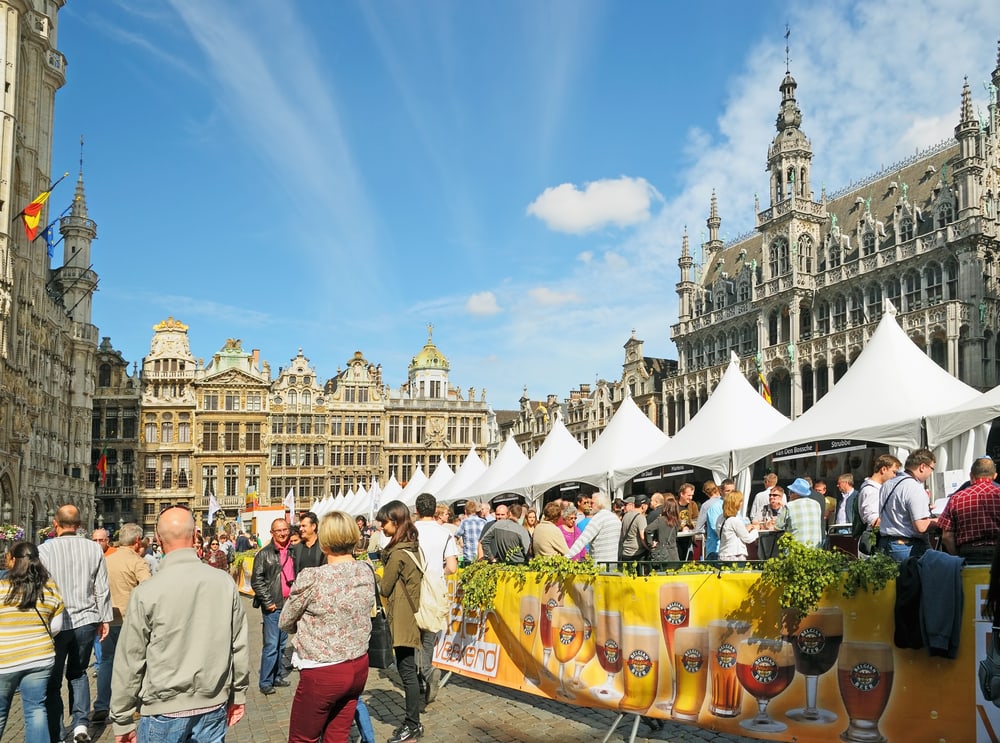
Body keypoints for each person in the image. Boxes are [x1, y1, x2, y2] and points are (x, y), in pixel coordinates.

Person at [110, 506, 249, 743]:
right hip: (212, 704)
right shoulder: (224, 583)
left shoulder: (146, 592)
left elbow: (130, 659)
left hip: (163, 709)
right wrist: (239, 694)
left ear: (158, 540)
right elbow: (239, 646)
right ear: (195, 536)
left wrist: (122, 717)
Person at [279, 512, 374, 742]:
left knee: (303, 738)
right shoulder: (366, 570)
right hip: (357, 665)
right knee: (337, 736)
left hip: (323, 670)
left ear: (324, 540)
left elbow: (285, 620)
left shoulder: (313, 577)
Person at [38, 504, 112, 743]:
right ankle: (80, 725)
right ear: (80, 526)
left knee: (53, 678)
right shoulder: (93, 549)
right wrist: (105, 618)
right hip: (87, 619)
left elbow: (40, 589)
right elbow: (101, 587)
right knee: (78, 673)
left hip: (56, 623)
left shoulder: (44, 551)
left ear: (55, 525)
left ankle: (58, 732)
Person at [0, 542, 65, 743]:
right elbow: (56, 626)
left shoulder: (3, 588)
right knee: (36, 709)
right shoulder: (49, 587)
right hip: (40, 657)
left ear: (12, 560)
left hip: (5, 659)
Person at [92, 524, 151, 724]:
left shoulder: (106, 560)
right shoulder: (138, 562)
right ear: (137, 542)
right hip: (130, 621)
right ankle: (130, 706)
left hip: (108, 619)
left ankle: (101, 704)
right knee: (132, 664)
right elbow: (148, 589)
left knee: (107, 662)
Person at [376, 500, 424, 743]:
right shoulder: (412, 546)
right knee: (410, 671)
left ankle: (412, 725)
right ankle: (413, 722)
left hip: (403, 618)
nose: (382, 528)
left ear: (395, 522)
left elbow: (385, 587)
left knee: (406, 673)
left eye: (384, 523)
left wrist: (375, 571)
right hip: (411, 615)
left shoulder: (397, 554)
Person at [412, 492, 458, 705]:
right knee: (428, 637)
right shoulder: (445, 533)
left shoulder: (409, 531)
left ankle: (422, 677)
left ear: (417, 510)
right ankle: (428, 671)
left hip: (412, 587)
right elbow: (452, 567)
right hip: (435, 585)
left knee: (412, 637)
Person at [250, 519, 296, 695]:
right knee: (270, 645)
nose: (283, 533)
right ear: (272, 533)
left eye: (285, 530)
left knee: (281, 644)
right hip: (273, 606)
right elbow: (257, 581)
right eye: (279, 531)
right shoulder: (265, 554)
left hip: (288, 605)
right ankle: (266, 681)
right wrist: (268, 602)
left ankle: (277, 676)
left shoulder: (293, 551)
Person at [877, 448, 938, 562]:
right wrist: (940, 521)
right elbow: (921, 526)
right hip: (906, 547)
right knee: (912, 579)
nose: (931, 473)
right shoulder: (914, 487)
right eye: (932, 469)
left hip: (885, 543)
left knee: (891, 579)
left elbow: (897, 509)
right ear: (922, 467)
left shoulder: (887, 484)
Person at [938, 457, 1000, 562]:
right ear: (995, 476)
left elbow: (946, 537)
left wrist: (958, 558)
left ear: (971, 475)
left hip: (968, 554)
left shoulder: (956, 498)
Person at [566, 491, 620, 563]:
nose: (590, 505)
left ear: (599, 504)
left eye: (592, 503)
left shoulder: (598, 518)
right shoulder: (615, 518)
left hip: (599, 566)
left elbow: (582, 540)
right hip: (613, 562)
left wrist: (566, 557)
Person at [778, 479, 825, 549]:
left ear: (796, 493)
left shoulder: (789, 506)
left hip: (795, 549)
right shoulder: (816, 504)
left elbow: (778, 526)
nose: (789, 495)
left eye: (791, 492)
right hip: (815, 548)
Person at [858, 454, 902, 528]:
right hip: (876, 537)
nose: (895, 476)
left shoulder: (876, 489)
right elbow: (873, 519)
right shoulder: (872, 490)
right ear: (884, 469)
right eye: (894, 472)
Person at [717, 491, 759, 561]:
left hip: (723, 554)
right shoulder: (734, 520)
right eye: (740, 501)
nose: (741, 504)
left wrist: (745, 529)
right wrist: (755, 530)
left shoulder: (720, 518)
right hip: (735, 555)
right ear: (736, 503)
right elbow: (748, 539)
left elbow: (729, 534)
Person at [644, 496, 680, 562]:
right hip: (673, 552)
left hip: (662, 551)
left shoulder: (660, 520)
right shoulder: (677, 521)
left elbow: (648, 529)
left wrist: (651, 543)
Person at [695, 481, 724, 560]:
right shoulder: (726, 502)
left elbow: (698, 528)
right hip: (727, 546)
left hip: (713, 545)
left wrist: (707, 529)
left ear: (706, 492)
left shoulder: (706, 505)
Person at [618, 495, 650, 561]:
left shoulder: (626, 516)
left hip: (625, 552)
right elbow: (642, 537)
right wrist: (648, 548)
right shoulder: (640, 517)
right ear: (643, 506)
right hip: (637, 553)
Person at [454, 501, 486, 567]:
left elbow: (455, 537)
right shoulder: (484, 522)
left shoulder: (464, 522)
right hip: (481, 556)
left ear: (465, 511)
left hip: (468, 557)